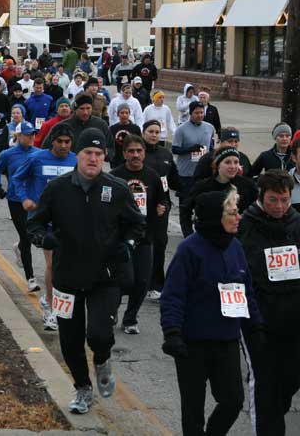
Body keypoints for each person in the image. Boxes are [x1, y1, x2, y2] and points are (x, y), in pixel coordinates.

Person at [27, 128, 145, 414]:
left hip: (105, 278)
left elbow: (137, 224)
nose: (93, 159)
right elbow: (35, 225)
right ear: (77, 156)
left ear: (104, 157)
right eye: (88, 153)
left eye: (98, 154)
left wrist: (127, 244)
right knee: (70, 340)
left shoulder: (116, 188)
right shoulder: (57, 189)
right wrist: (46, 239)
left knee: (99, 335)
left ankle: (102, 361)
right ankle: (82, 388)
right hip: (67, 278)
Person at [160, 189, 262, 436]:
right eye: (232, 212)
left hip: (226, 340)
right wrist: (172, 332)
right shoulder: (189, 250)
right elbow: (173, 294)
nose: (238, 217)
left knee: (233, 401)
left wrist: (256, 326)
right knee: (193, 410)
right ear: (216, 216)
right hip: (191, 343)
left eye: (237, 212)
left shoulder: (235, 247)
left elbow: (246, 290)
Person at [237, 170, 300, 435]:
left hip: (294, 318)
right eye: (273, 200)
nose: (279, 206)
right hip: (260, 319)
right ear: (262, 198)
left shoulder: (297, 222)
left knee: (288, 382)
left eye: (284, 200)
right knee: (265, 386)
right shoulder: (245, 226)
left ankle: (275, 412)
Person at [14, 123, 76, 331]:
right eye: (60, 142)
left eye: (67, 142)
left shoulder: (76, 160)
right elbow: (17, 178)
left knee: (65, 265)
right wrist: (25, 199)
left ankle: (54, 300)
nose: (64, 146)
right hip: (44, 221)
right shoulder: (36, 158)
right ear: (52, 141)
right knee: (53, 264)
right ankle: (51, 308)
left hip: (67, 221)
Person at [110, 135, 167, 334]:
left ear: (144, 153)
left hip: (145, 237)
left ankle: (130, 319)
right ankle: (112, 311)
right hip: (121, 237)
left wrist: (162, 208)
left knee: (142, 281)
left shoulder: (153, 176)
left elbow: (163, 201)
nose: (135, 155)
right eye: (131, 151)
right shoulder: (115, 176)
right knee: (123, 280)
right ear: (124, 153)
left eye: (139, 151)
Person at [0, 122, 40, 291]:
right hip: (15, 200)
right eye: (28, 135)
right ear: (19, 136)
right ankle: (31, 278)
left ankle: (18, 247)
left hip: (33, 201)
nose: (32, 138)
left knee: (32, 236)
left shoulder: (39, 154)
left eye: (34, 134)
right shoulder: (8, 154)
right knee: (27, 237)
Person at [141, 120, 181, 301]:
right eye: (151, 131)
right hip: (140, 207)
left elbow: (173, 180)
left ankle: (157, 283)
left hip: (161, 207)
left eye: (157, 131)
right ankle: (138, 281)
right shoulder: (138, 153)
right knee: (140, 245)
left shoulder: (165, 154)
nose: (154, 134)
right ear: (144, 133)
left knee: (159, 244)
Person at [180, 147, 258, 238]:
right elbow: (185, 209)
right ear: (218, 165)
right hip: (210, 238)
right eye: (227, 162)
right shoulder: (203, 187)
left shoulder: (248, 186)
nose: (233, 166)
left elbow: (258, 211)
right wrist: (188, 234)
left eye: (236, 162)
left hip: (239, 238)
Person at [43, 93, 113, 160]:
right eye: (82, 108)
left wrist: (104, 152)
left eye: (88, 108)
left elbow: (111, 150)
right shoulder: (62, 126)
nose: (85, 112)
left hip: (92, 168)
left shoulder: (101, 125)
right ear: (75, 109)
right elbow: (45, 148)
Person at [172, 101, 215, 207]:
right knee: (186, 203)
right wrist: (190, 149)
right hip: (186, 173)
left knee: (202, 204)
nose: (200, 115)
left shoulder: (209, 127)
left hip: (203, 172)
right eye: (196, 113)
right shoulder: (181, 129)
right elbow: (175, 149)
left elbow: (211, 147)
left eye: (201, 112)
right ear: (190, 113)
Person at [108, 104, 141, 169]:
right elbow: (110, 144)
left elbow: (139, 144)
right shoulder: (112, 129)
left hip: (131, 159)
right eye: (122, 113)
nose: (124, 115)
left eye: (126, 113)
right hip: (117, 160)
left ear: (129, 114)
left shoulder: (135, 128)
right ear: (118, 114)